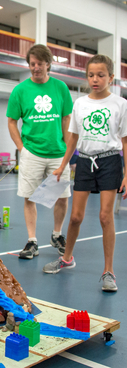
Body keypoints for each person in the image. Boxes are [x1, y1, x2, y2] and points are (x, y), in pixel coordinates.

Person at [43, 55, 127, 292]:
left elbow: (125, 142)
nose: (95, 79)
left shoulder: (120, 104)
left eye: (101, 75)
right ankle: (67, 258)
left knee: (104, 216)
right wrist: (62, 165)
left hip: (110, 161)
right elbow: (73, 140)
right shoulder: (79, 104)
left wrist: (126, 174)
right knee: (76, 217)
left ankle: (108, 271)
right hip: (85, 163)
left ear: (111, 77)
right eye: (91, 75)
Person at [7, 44, 73, 259]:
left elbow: (66, 119)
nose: (36, 68)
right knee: (30, 197)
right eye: (32, 64)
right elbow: (11, 121)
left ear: (48, 64)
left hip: (58, 152)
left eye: (40, 64)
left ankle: (57, 234)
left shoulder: (60, 88)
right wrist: (21, 148)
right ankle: (32, 241)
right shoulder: (20, 90)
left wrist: (67, 149)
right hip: (32, 152)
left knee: (62, 197)